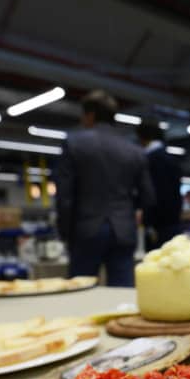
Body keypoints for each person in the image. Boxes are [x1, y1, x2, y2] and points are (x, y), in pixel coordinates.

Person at [53, 90, 154, 287]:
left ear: (89, 115)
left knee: (80, 292)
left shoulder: (74, 143)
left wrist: (65, 232)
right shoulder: (134, 151)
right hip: (123, 230)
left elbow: (65, 197)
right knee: (122, 296)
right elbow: (148, 197)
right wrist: (127, 210)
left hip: (85, 229)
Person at [138, 118, 183, 250]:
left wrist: (149, 222)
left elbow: (151, 195)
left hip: (157, 226)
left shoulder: (148, 160)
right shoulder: (172, 159)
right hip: (174, 222)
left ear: (143, 137)